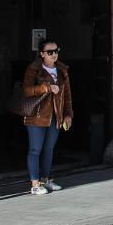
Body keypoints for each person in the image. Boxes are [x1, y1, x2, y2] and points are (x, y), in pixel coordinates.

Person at [21, 39, 73, 196]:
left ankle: (45, 179)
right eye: (50, 52)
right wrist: (46, 88)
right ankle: (35, 184)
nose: (54, 54)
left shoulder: (62, 70)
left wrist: (68, 114)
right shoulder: (34, 69)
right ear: (42, 54)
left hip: (55, 116)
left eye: (56, 51)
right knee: (35, 149)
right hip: (37, 116)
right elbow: (26, 90)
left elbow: (68, 96)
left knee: (49, 149)